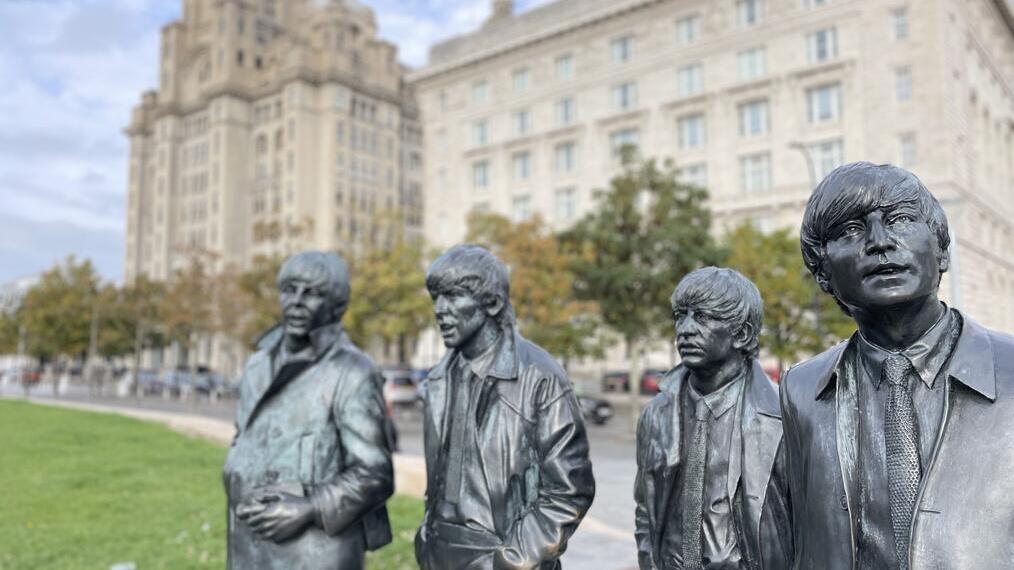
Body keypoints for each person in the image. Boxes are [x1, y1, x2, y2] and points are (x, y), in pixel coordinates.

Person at [781, 162, 1014, 568]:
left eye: (901, 219)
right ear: (822, 273)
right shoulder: (800, 389)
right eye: (850, 231)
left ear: (941, 249)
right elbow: (792, 536)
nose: (879, 242)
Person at [415, 245, 595, 570]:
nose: (440, 310)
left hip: (504, 559)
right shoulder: (439, 379)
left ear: (493, 303)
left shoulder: (540, 376)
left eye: (454, 297)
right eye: (436, 298)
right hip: (438, 552)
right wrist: (427, 539)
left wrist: (512, 561)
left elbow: (569, 491)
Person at [223, 251, 393, 569]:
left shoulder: (353, 371)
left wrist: (310, 507)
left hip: (314, 553)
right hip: (249, 545)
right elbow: (244, 439)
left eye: (313, 293)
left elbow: (375, 474)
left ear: (337, 305)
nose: (297, 301)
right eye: (290, 289)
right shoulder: (257, 365)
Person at [635, 267, 792, 570]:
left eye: (702, 317)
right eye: (680, 316)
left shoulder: (783, 415)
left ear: (742, 334)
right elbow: (646, 509)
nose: (685, 329)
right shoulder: (657, 412)